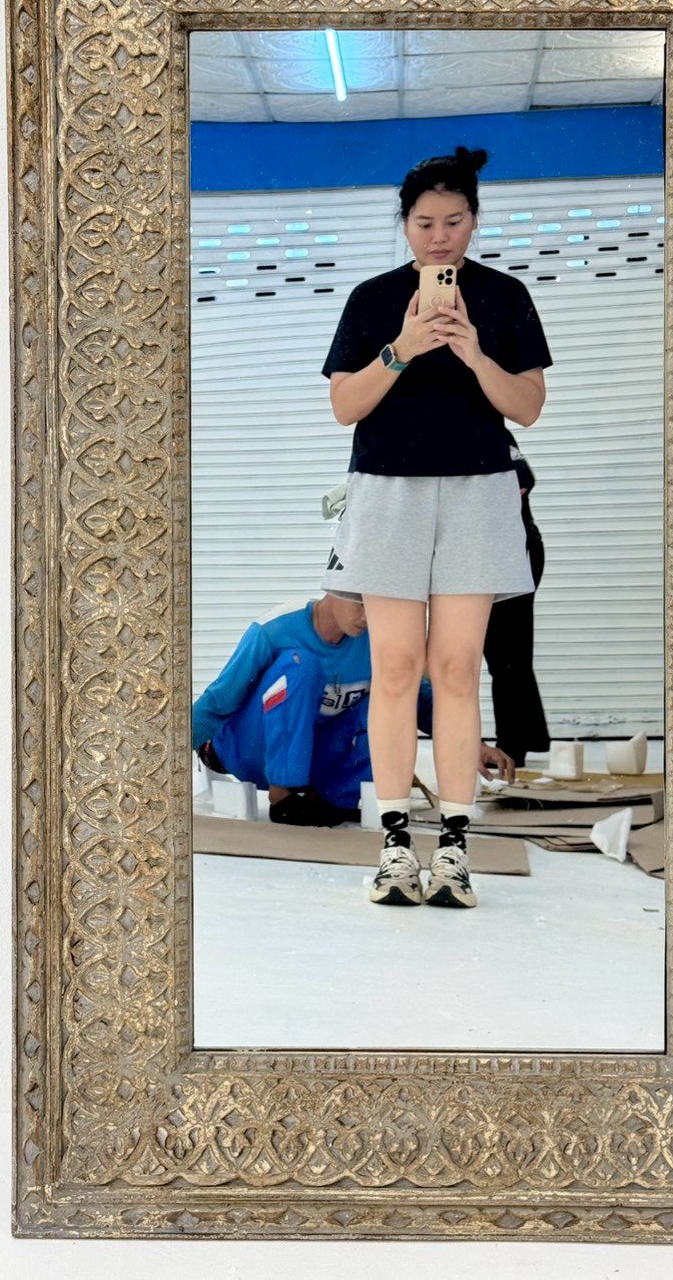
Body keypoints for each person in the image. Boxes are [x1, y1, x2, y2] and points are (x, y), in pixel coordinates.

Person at [321, 144, 553, 908]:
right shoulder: (371, 299)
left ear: (473, 221)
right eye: (424, 223)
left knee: (455, 669)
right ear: (405, 226)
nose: (440, 236)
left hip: (478, 492)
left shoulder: (505, 296)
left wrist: (473, 353)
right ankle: (394, 848)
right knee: (394, 667)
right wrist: (402, 348)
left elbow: (526, 406)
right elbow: (345, 405)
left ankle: (453, 851)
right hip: (387, 491)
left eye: (454, 221)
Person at [192, 593, 514, 827]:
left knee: (390, 700)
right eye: (360, 603)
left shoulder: (377, 641)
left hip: (311, 758)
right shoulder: (275, 628)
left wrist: (470, 745)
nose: (367, 616)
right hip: (245, 751)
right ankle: (285, 794)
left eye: (375, 605)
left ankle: (335, 798)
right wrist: (169, 750)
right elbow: (220, 700)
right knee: (302, 666)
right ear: (334, 589)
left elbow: (421, 703)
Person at [482, 440, 550, 767]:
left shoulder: (493, 434)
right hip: (490, 555)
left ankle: (512, 746)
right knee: (506, 655)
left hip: (514, 553)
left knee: (507, 654)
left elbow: (524, 479)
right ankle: (528, 737)